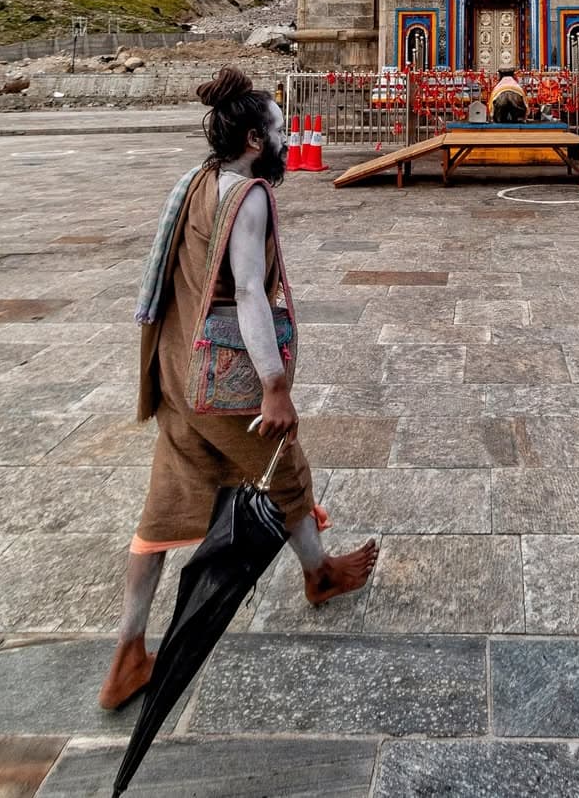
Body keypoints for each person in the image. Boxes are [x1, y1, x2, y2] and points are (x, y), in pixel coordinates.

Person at [98, 67, 377, 710]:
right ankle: (320, 575)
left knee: (164, 507)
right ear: (255, 139)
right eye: (279, 131)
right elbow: (249, 291)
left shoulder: (198, 180)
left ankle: (128, 652)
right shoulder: (248, 195)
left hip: (176, 369)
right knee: (286, 472)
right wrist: (274, 385)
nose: (284, 141)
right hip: (223, 377)